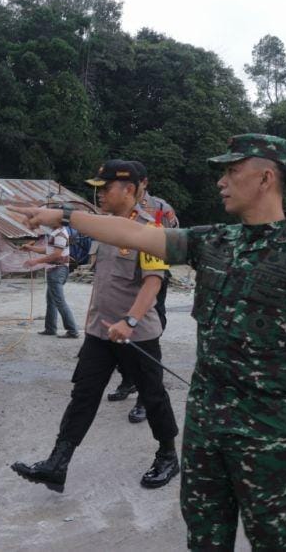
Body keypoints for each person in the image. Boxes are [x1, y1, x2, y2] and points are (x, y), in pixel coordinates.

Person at [10, 134, 286, 550]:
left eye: (231, 171)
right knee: (204, 539)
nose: (221, 182)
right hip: (206, 425)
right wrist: (61, 215)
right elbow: (131, 233)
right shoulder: (213, 242)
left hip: (270, 432)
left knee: (276, 542)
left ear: (265, 178)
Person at [10, 159, 180, 493]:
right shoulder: (103, 227)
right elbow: (79, 245)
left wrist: (130, 321)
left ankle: (168, 455)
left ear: (128, 189)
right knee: (83, 395)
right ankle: (57, 464)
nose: (99, 194)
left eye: (105, 188)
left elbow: (153, 284)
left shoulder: (152, 230)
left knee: (153, 396)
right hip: (100, 333)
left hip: (136, 335)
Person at [107, 160, 179, 424]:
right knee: (117, 334)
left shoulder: (160, 208)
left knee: (146, 334)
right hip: (121, 279)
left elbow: (173, 241)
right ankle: (128, 381)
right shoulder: (113, 210)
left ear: (143, 184)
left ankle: (145, 399)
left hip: (151, 276)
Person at [21, 225, 79, 338]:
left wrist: (36, 261)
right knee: (51, 301)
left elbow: (56, 254)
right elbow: (48, 250)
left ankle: (72, 330)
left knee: (59, 301)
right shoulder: (55, 233)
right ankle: (50, 328)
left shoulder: (60, 234)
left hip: (57, 270)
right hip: (55, 270)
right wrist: (31, 248)